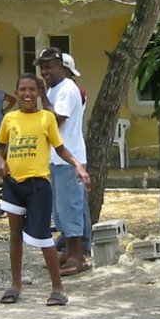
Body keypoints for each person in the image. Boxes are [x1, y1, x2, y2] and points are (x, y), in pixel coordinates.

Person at [0, 73, 90, 307]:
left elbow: (60, 148)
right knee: (15, 235)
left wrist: (78, 165)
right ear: (16, 93)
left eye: (32, 90)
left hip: (38, 186)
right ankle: (16, 285)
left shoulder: (47, 118)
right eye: (22, 89)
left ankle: (58, 289)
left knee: (44, 238)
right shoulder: (10, 119)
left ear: (39, 93)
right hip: (13, 184)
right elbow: (0, 148)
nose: (27, 94)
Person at [37, 47, 90, 276]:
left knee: (70, 209)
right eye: (42, 66)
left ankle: (78, 257)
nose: (45, 71)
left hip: (69, 159)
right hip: (56, 159)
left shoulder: (67, 88)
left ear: (61, 67)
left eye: (49, 66)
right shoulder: (56, 89)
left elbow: (55, 120)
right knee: (60, 211)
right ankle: (69, 253)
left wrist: (41, 95)